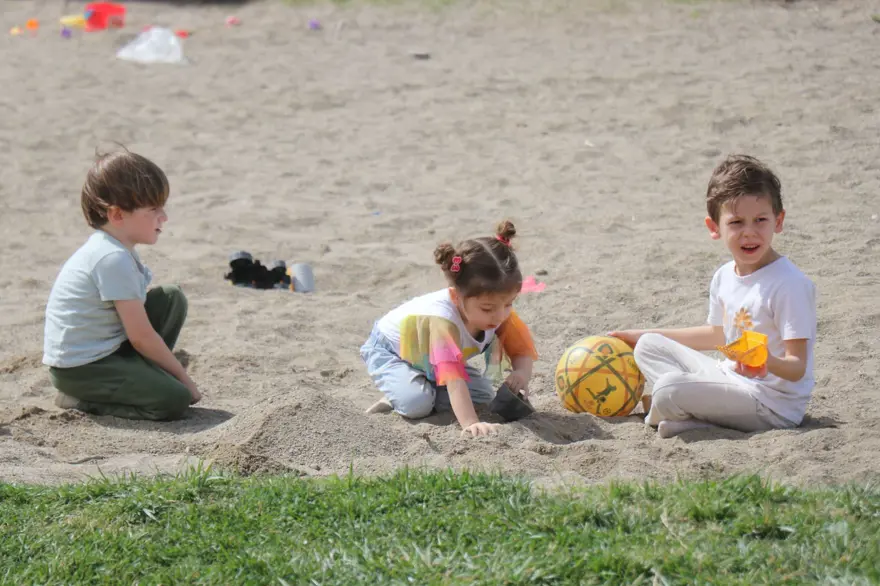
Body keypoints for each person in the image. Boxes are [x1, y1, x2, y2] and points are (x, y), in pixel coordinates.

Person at [611, 155, 817, 438]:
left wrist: (767, 359)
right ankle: (690, 414)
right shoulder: (724, 275)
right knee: (648, 346)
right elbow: (717, 336)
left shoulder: (789, 284)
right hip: (729, 378)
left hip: (770, 404)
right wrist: (640, 334)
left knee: (670, 387)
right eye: (736, 223)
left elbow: (797, 369)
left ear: (778, 221)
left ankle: (678, 413)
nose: (749, 232)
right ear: (714, 228)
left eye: (760, 220)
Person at [43, 149, 201, 420]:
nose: (163, 217)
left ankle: (145, 376)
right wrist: (183, 379)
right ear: (117, 215)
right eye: (153, 209)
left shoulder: (117, 248)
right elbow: (140, 336)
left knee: (170, 298)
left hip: (109, 350)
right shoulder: (111, 258)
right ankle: (81, 400)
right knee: (174, 400)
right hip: (82, 369)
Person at [360, 220, 538, 437]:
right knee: (417, 404)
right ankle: (397, 394)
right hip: (394, 352)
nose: (500, 315)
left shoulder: (499, 313)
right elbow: (454, 380)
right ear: (456, 297)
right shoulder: (442, 321)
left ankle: (420, 386)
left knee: (482, 395)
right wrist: (471, 423)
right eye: (487, 308)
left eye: (509, 304)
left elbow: (521, 350)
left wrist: (522, 373)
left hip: (432, 359)